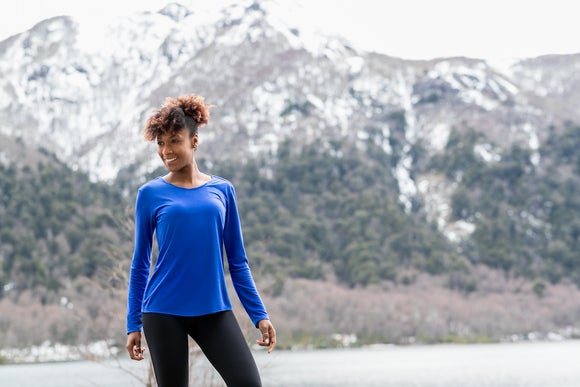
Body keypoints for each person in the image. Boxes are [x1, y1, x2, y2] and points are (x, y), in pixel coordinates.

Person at [125, 94, 276, 387]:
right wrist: (133, 323)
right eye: (160, 142)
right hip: (162, 311)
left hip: (213, 309)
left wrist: (259, 314)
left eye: (174, 140)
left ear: (194, 141)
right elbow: (140, 263)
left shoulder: (223, 191)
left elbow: (238, 261)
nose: (166, 150)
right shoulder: (149, 194)